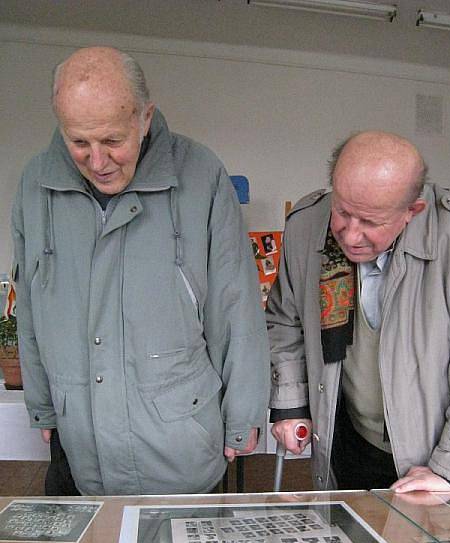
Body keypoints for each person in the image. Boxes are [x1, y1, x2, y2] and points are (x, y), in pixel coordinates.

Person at [12, 47, 269, 496]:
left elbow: (236, 307)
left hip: (181, 448)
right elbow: (32, 307)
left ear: (145, 118)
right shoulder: (36, 185)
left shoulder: (202, 175)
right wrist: (42, 407)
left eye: (112, 141)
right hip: (81, 450)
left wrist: (243, 415)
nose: (97, 161)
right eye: (78, 143)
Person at [266, 131, 450, 492]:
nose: (350, 235)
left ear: (411, 212)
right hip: (348, 440)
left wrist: (449, 470)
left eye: (370, 223)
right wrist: (291, 404)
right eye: (342, 212)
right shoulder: (307, 225)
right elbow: (284, 320)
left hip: (438, 453)